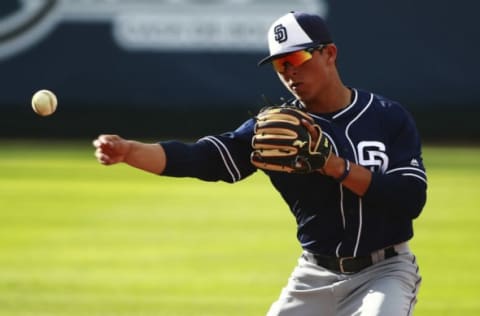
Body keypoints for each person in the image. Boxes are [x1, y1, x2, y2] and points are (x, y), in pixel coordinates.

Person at [93, 11, 427, 316]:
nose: (290, 71)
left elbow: (410, 199)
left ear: (330, 54)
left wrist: (334, 166)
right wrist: (130, 151)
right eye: (280, 64)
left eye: (297, 57)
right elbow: (203, 158)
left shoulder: (386, 116)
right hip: (315, 276)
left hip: (383, 272)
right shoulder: (277, 131)